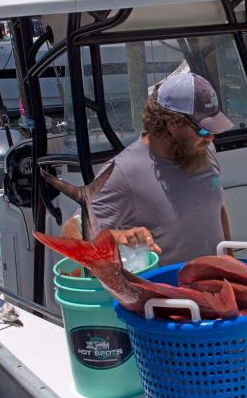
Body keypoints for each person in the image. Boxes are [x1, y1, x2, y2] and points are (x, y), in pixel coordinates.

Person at [85, 72, 236, 266]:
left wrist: (231, 260)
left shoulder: (204, 150)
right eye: (204, 130)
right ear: (172, 124)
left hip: (216, 286)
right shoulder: (124, 172)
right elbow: (72, 232)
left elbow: (218, 207)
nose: (211, 138)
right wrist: (118, 236)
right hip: (167, 293)